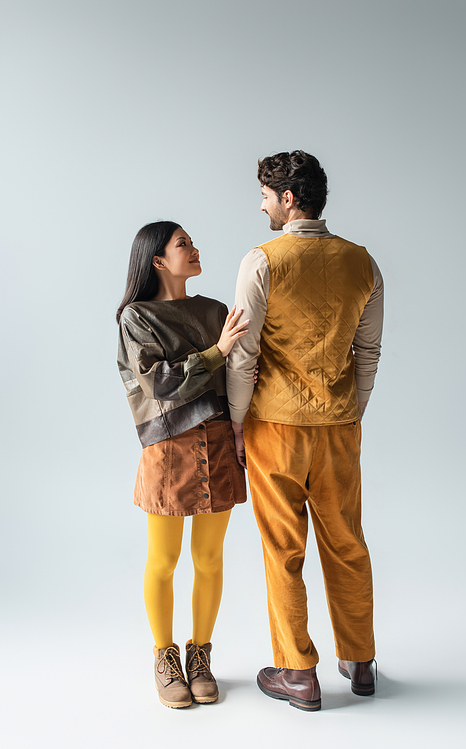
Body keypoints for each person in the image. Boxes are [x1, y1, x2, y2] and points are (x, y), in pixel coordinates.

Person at [226, 151, 384, 712]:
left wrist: (237, 422)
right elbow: (368, 352)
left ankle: (297, 672)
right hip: (339, 424)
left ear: (288, 198)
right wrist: (352, 409)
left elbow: (242, 354)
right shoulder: (362, 262)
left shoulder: (261, 260)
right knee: (346, 539)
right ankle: (360, 660)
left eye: (266, 195)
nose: (262, 204)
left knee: (282, 546)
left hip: (275, 423)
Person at [117, 221, 248, 709]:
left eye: (191, 243)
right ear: (157, 260)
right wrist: (218, 351)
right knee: (164, 561)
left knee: (210, 558)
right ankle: (164, 657)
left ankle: (200, 655)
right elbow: (159, 385)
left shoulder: (215, 310)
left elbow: (243, 374)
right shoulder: (136, 317)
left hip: (218, 443)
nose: (194, 250)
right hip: (167, 449)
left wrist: (241, 428)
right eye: (183, 245)